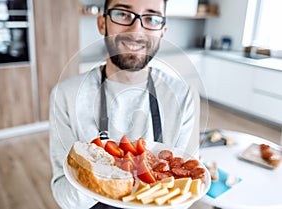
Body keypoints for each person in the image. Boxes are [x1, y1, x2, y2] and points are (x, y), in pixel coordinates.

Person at [49, 0, 198, 208]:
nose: (136, 30)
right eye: (122, 14)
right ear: (102, 23)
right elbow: (65, 195)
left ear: (162, 31)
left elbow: (183, 189)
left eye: (152, 18)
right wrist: (103, 174)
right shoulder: (65, 95)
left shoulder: (181, 96)